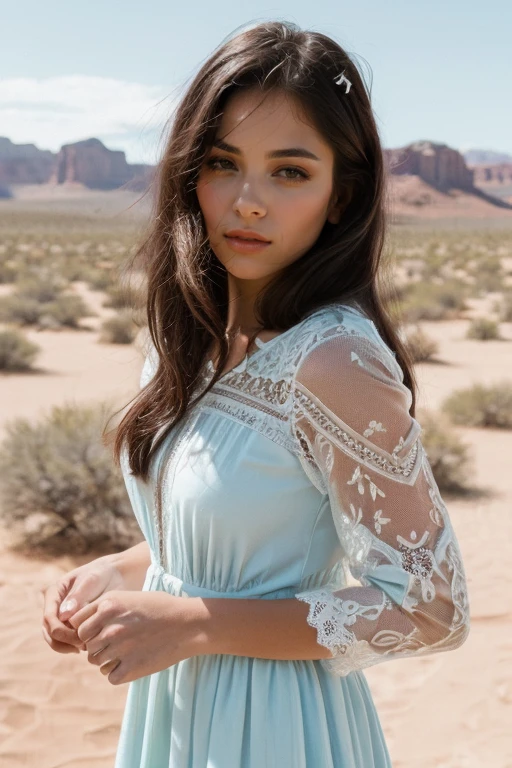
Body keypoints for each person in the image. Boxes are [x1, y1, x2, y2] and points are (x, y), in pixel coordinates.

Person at [41, 20, 471, 767]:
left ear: (343, 195)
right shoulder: (187, 343)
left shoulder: (335, 361)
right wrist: (126, 568)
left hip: (277, 729)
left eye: (290, 172)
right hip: (175, 717)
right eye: (222, 163)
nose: (246, 201)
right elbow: (249, 539)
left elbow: (431, 607)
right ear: (189, 173)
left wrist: (195, 625)